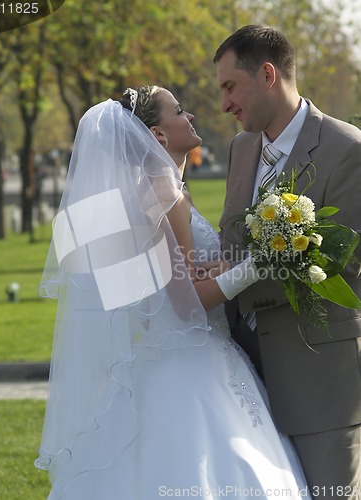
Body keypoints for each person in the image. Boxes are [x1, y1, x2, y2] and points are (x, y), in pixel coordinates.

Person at [35, 85, 311, 499]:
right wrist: (261, 263)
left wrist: (223, 266)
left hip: (168, 355)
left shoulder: (151, 191)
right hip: (195, 361)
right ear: (159, 136)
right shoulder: (162, 193)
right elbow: (185, 304)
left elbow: (164, 289)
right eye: (179, 111)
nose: (192, 117)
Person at [213, 25, 361, 499]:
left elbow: (343, 266)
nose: (225, 104)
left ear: (268, 74)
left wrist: (225, 285)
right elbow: (232, 241)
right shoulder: (240, 149)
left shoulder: (347, 150)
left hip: (321, 386)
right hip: (244, 386)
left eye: (230, 86)